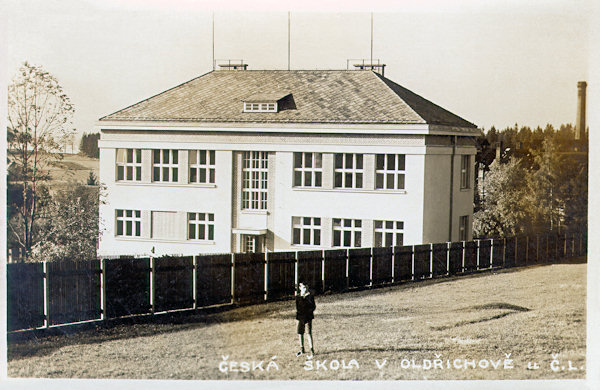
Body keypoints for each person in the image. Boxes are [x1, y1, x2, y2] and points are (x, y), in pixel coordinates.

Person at [295, 281, 316, 356]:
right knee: (300, 333)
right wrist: (302, 297)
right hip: (300, 317)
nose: (305, 289)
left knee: (309, 333)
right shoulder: (298, 297)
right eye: (303, 288)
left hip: (308, 317)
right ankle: (302, 348)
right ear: (300, 288)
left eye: (306, 288)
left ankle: (311, 349)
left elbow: (313, 307)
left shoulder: (310, 296)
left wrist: (307, 297)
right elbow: (298, 308)